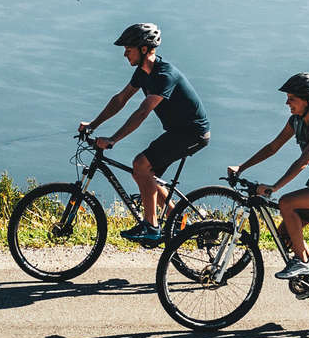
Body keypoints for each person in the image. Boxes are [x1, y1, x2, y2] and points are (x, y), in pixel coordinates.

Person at [79, 23, 211, 246]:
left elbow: (142, 112)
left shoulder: (164, 75)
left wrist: (113, 139)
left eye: (128, 49)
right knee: (141, 173)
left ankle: (151, 227)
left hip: (193, 133)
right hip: (177, 132)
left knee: (141, 164)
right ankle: (177, 220)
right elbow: (120, 100)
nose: (124, 53)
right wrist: (93, 124)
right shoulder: (142, 73)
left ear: (142, 49)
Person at [228, 72, 309, 280]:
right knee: (285, 234)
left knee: (286, 203)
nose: (287, 103)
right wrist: (241, 167)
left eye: (292, 99)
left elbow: (304, 161)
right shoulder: (296, 121)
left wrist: (275, 187)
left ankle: (303, 264)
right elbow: (273, 147)